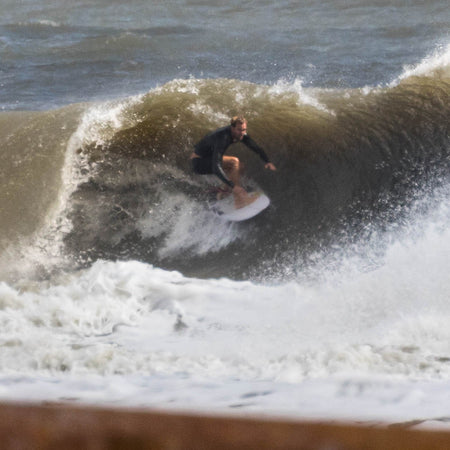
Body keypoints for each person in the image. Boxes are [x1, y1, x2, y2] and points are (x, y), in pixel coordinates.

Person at [190, 116, 276, 209]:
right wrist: (233, 186)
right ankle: (239, 201)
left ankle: (222, 194)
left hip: (207, 158)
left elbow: (255, 147)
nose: (242, 133)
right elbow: (216, 167)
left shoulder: (240, 134)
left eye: (244, 129)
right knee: (234, 162)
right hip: (199, 162)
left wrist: (267, 161)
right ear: (232, 128)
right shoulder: (223, 137)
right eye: (239, 130)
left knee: (240, 167)